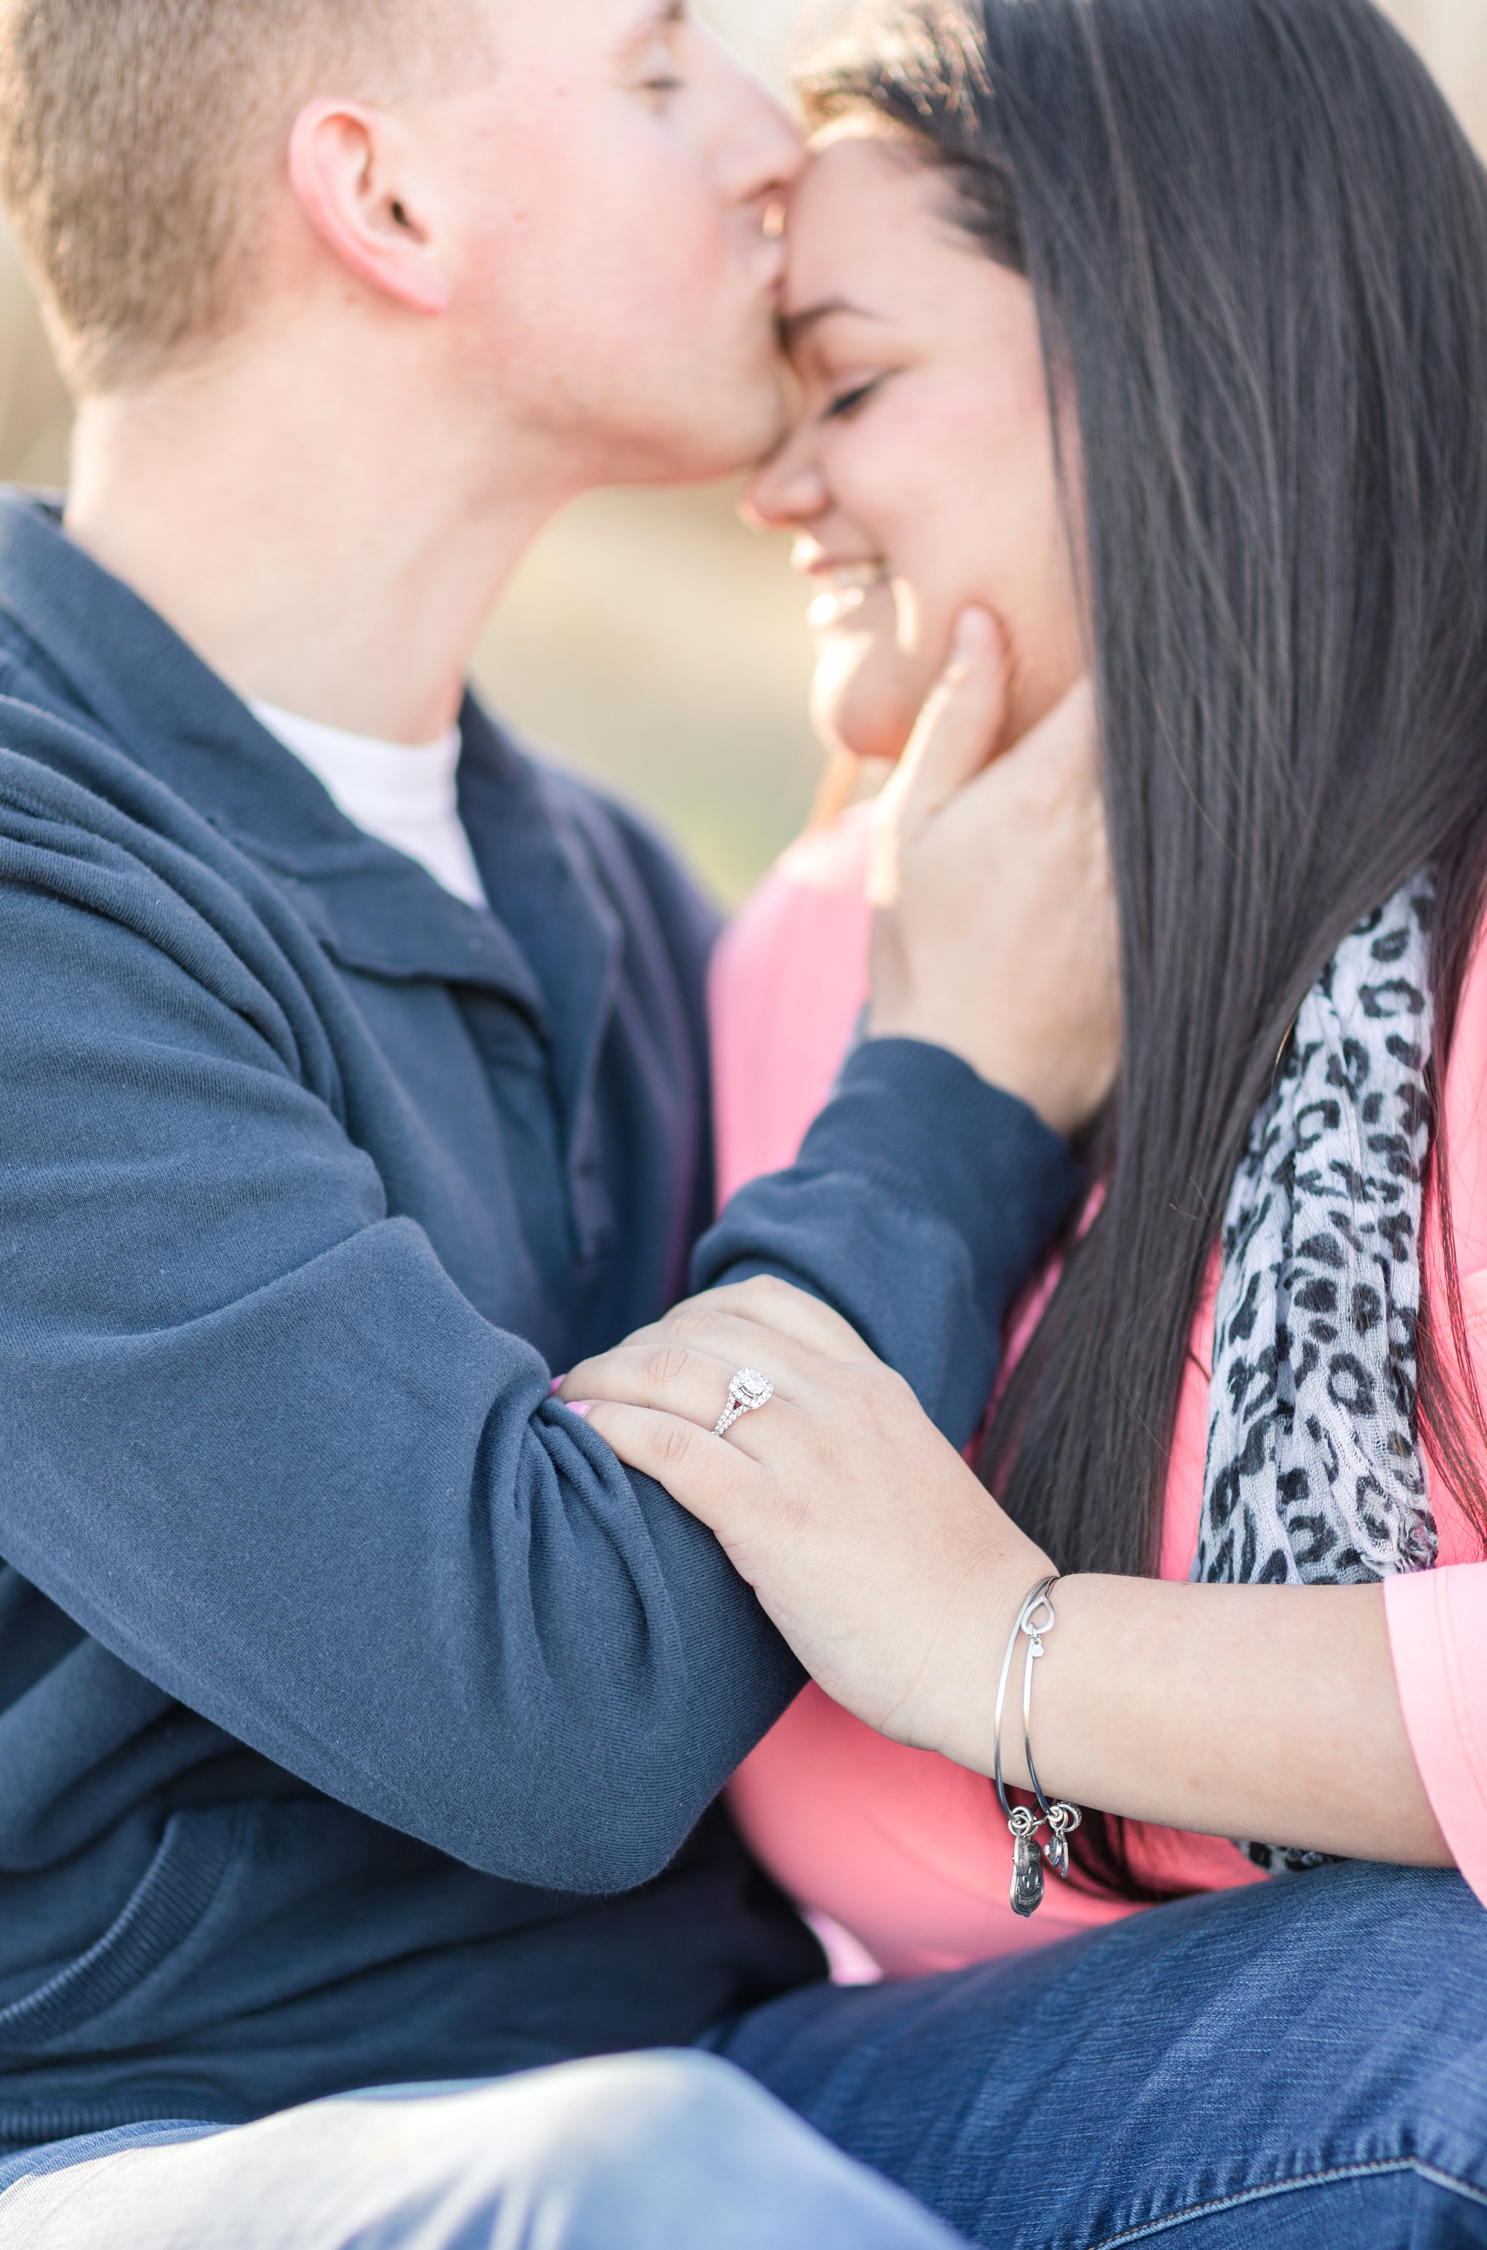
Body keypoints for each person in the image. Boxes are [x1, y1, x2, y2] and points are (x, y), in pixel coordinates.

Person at [0, 0, 1118, 2242]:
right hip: (162, 2145)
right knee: (645, 2188)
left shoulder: (588, 873)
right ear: (383, 199)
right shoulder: (27, 887)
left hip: (731, 2055)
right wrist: (961, 1078)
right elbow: (564, 1711)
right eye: (657, 59)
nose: (768, 133)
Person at [561, 0, 1487, 2239]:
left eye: (851, 384)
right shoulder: (794, 965)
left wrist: (1008, 1645)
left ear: (1186, 346)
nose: (775, 485)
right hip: (902, 2097)